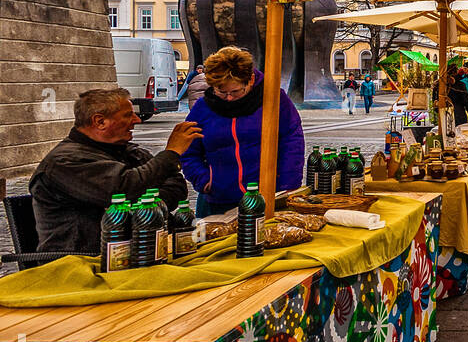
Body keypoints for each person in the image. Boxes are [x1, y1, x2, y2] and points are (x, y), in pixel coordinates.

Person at [30, 88, 199, 252]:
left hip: (138, 251)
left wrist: (144, 204)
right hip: (81, 259)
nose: (137, 120)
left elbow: (176, 185)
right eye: (128, 115)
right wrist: (172, 153)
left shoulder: (128, 151)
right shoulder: (64, 161)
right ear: (100, 121)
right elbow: (125, 188)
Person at [180, 46, 305, 216]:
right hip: (218, 200)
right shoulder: (203, 108)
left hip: (267, 196)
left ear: (251, 80)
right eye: (222, 92)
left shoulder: (274, 99)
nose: (229, 98)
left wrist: (288, 185)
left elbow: (292, 141)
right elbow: (187, 149)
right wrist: (203, 179)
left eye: (236, 91)